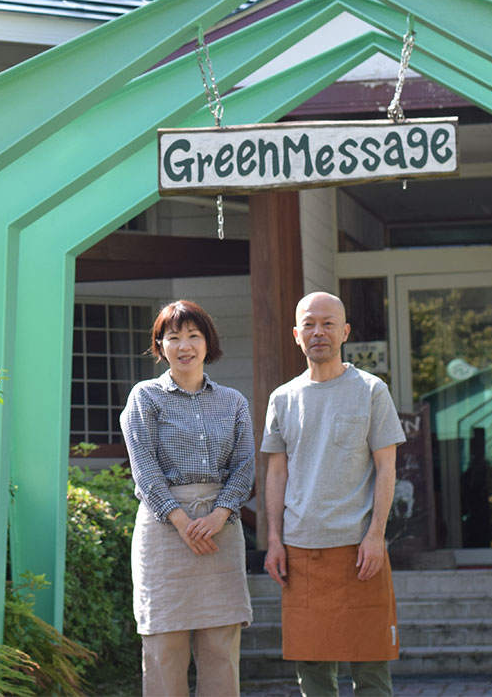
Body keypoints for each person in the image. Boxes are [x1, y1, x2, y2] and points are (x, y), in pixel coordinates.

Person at [261, 291, 406, 697]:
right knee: (313, 677)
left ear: (344, 331)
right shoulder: (283, 398)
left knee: (372, 671)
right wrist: (274, 539)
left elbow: (386, 466)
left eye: (327, 323)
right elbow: (276, 471)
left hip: (360, 551)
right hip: (301, 553)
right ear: (295, 334)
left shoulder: (371, 390)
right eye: (309, 323)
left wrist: (376, 534)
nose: (318, 331)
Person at [120, 299, 254, 697]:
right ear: (159, 345)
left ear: (207, 342)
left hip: (221, 530)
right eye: (173, 337)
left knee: (219, 644)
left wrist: (220, 515)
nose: (184, 346)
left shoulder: (233, 402)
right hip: (164, 532)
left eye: (193, 336)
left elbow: (245, 465)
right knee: (165, 646)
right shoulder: (144, 397)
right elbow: (143, 466)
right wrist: (181, 521)